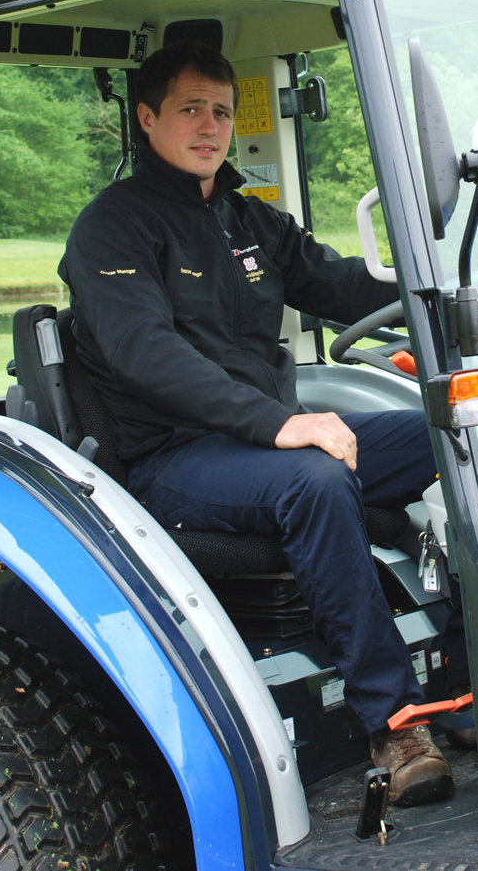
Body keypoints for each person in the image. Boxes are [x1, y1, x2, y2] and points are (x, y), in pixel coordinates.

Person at [58, 39, 455, 806]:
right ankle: (394, 722)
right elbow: (145, 353)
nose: (209, 127)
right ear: (146, 118)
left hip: (262, 434)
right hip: (175, 456)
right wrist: (278, 424)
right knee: (313, 477)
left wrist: (444, 285)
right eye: (188, 110)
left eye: (219, 110)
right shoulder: (113, 227)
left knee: (453, 433)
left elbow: (342, 284)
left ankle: (471, 681)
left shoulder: (250, 222)